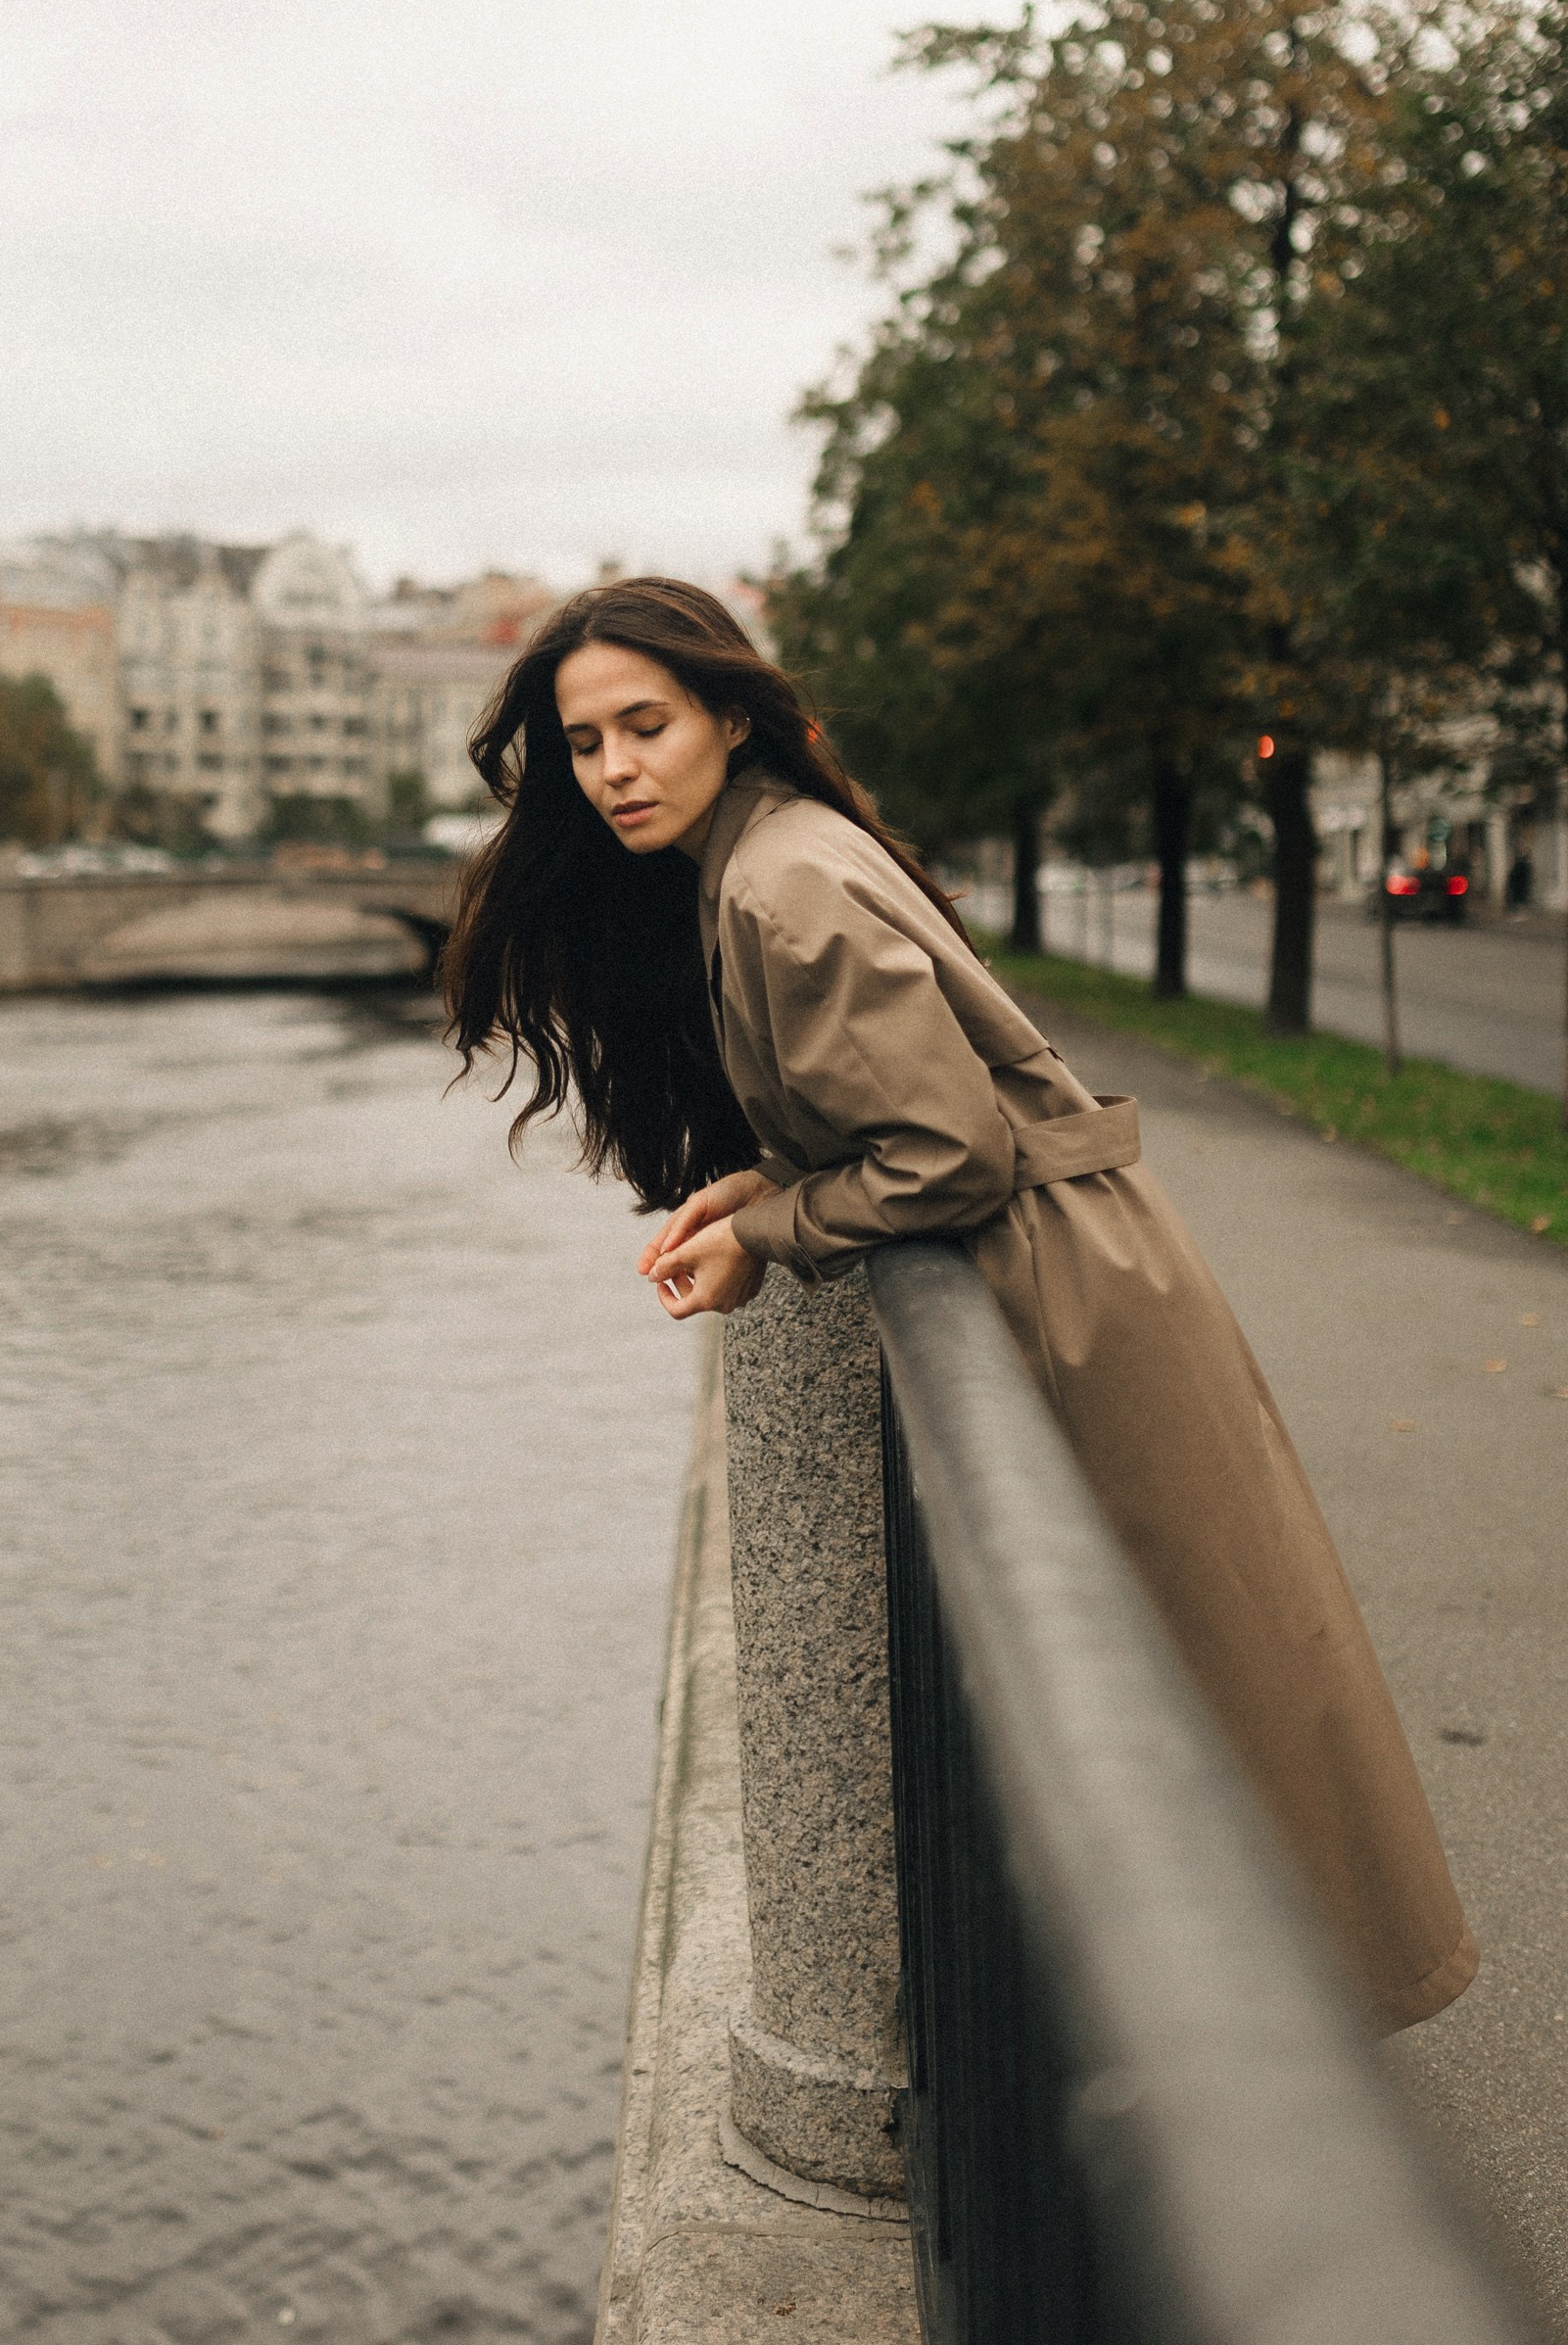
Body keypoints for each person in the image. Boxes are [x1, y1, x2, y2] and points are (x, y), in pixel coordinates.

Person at [444, 576, 1475, 2034]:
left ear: (729, 718)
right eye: (586, 742)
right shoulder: (774, 853)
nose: (613, 770)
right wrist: (764, 1191)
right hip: (1076, 1262)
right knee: (1214, 1663)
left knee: (1212, 1670)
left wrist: (774, 1232)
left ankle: (1271, 2069)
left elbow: (944, 1154)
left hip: (1065, 1293)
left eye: (644, 725)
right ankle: (1272, 2015)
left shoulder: (776, 881)